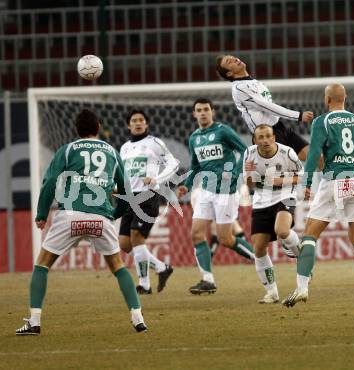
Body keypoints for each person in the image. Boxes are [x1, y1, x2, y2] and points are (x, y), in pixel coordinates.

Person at [16, 109, 147, 335]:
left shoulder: (67, 150)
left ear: (76, 130)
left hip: (70, 216)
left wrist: (41, 214)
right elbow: (126, 191)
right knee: (118, 266)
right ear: (98, 128)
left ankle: (34, 321)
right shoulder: (112, 152)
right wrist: (114, 215)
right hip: (100, 218)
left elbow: (49, 183)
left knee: (42, 264)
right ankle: (138, 319)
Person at [282, 83, 354, 309]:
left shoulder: (323, 121)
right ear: (345, 98)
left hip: (334, 180)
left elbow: (315, 152)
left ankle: (301, 288)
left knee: (309, 234)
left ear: (327, 99)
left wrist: (307, 182)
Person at [178, 97, 255, 294]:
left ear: (213, 111)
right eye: (199, 110)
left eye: (206, 109)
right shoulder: (194, 137)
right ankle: (207, 280)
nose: (203, 113)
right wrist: (186, 186)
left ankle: (260, 258)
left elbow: (245, 150)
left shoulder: (223, 130)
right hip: (205, 190)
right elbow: (195, 166)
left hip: (226, 192)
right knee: (196, 234)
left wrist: (236, 171)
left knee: (225, 239)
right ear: (194, 114)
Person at [119, 109, 177, 295]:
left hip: (147, 196)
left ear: (146, 124)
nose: (138, 123)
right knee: (125, 244)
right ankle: (161, 267)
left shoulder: (154, 143)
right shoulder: (125, 147)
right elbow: (123, 173)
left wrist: (157, 179)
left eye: (141, 120)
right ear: (129, 125)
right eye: (134, 120)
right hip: (129, 197)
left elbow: (173, 164)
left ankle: (144, 284)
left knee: (137, 237)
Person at [215, 54, 314, 162]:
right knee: (279, 175)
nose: (234, 59)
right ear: (229, 73)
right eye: (229, 62)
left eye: (232, 57)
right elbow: (267, 107)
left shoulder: (255, 82)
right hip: (264, 136)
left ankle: (331, 179)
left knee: (316, 158)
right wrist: (298, 116)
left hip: (280, 128)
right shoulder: (239, 88)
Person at [243, 125, 302, 303]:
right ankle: (272, 292)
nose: (265, 140)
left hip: (285, 195)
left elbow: (302, 176)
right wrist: (248, 174)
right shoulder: (249, 154)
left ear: (274, 137)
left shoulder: (288, 153)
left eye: (268, 136)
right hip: (262, 201)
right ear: (255, 140)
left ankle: (303, 259)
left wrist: (281, 180)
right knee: (259, 248)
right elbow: (251, 186)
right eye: (261, 137)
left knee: (282, 230)